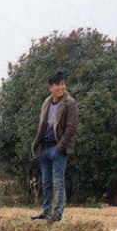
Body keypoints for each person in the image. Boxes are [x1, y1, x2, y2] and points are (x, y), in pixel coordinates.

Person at [31, 71, 78, 223]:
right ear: (50, 87)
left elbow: (71, 128)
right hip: (44, 147)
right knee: (46, 182)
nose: (61, 87)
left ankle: (57, 214)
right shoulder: (47, 102)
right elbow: (42, 125)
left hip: (58, 147)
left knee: (58, 181)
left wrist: (60, 147)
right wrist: (37, 146)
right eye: (58, 84)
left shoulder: (70, 103)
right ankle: (46, 212)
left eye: (63, 83)